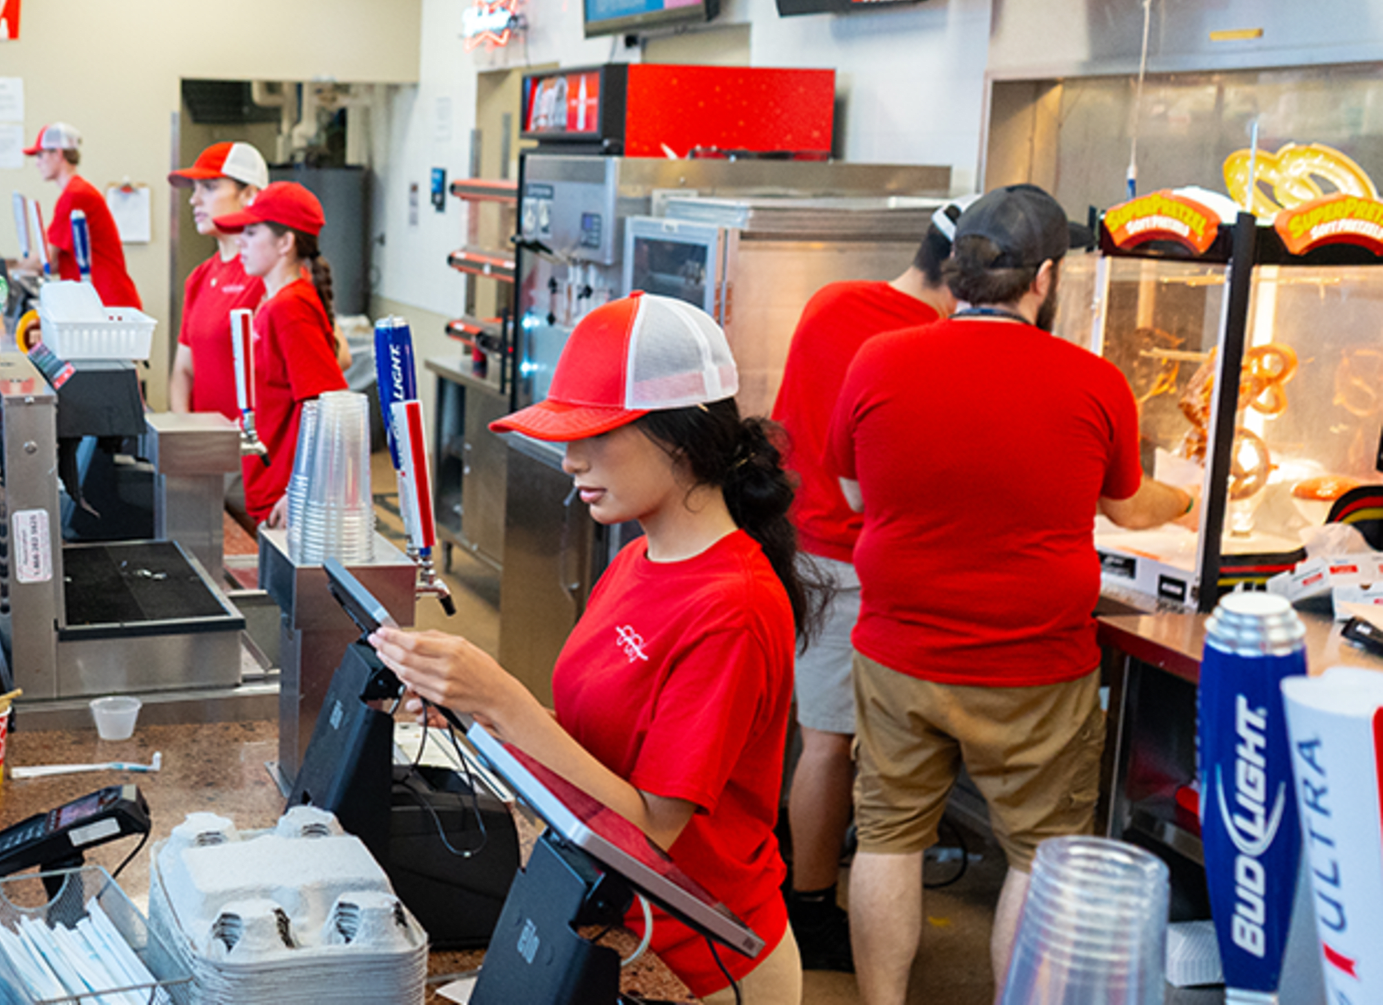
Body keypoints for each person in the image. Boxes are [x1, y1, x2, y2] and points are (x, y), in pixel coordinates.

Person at [372, 294, 822, 1004]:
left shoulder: (732, 604)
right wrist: (474, 711)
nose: (569, 458)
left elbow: (651, 833)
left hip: (701, 961)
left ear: (683, 436)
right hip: (611, 914)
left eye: (596, 434)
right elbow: (603, 733)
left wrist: (502, 699)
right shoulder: (640, 553)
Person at [826, 184, 1195, 1005]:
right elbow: (1129, 507)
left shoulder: (879, 359)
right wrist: (1190, 500)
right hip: (1037, 661)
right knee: (1035, 850)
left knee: (887, 837)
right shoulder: (1094, 381)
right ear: (1047, 279)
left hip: (901, 650)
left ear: (955, 272)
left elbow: (854, 495)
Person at [763, 198, 965, 972]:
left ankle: (790, 870)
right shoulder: (924, 341)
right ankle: (809, 910)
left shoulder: (832, 301)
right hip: (850, 557)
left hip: (793, 540)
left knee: (800, 731)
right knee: (829, 743)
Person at [212, 182, 346, 524]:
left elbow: (326, 405)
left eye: (253, 232)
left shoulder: (289, 308)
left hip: (282, 497)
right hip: (265, 483)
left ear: (285, 242)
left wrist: (299, 489)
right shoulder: (274, 304)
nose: (240, 240)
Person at [166, 142, 267, 418]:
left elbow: (332, 355)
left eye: (209, 188)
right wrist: (185, 432)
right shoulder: (198, 278)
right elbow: (183, 371)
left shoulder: (270, 271)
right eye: (195, 189)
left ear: (249, 194)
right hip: (207, 449)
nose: (194, 200)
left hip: (254, 451)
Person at [25, 122, 142, 309]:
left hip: (106, 303)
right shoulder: (77, 191)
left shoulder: (74, 195)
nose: (37, 163)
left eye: (40, 155)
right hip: (99, 300)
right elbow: (54, 265)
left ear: (58, 153)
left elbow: (45, 261)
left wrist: (6, 270)